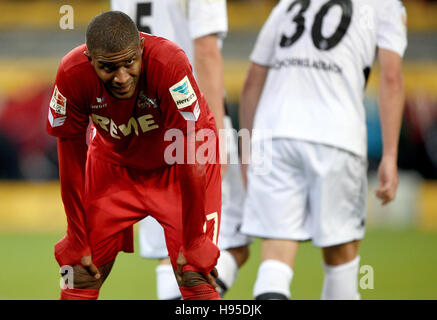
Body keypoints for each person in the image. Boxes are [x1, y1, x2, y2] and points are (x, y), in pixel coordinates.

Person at [47, 11, 223, 300]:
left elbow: (190, 147)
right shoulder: (71, 73)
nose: (121, 77)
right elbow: (70, 154)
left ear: (140, 48)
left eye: (129, 62)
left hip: (177, 164)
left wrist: (193, 239)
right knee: (79, 272)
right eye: (108, 68)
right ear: (90, 59)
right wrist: (76, 236)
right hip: (113, 162)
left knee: (194, 273)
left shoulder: (169, 62)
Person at [240, 0, 407, 299]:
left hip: (276, 132)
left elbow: (253, 79)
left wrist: (248, 152)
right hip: (336, 135)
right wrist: (391, 155)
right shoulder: (385, 5)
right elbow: (392, 77)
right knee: (341, 257)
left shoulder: (289, 4)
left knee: (275, 256)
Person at [110, 0, 251, 299]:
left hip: (142, 123)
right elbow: (206, 48)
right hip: (189, 117)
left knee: (171, 247)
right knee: (231, 243)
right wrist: (216, 136)